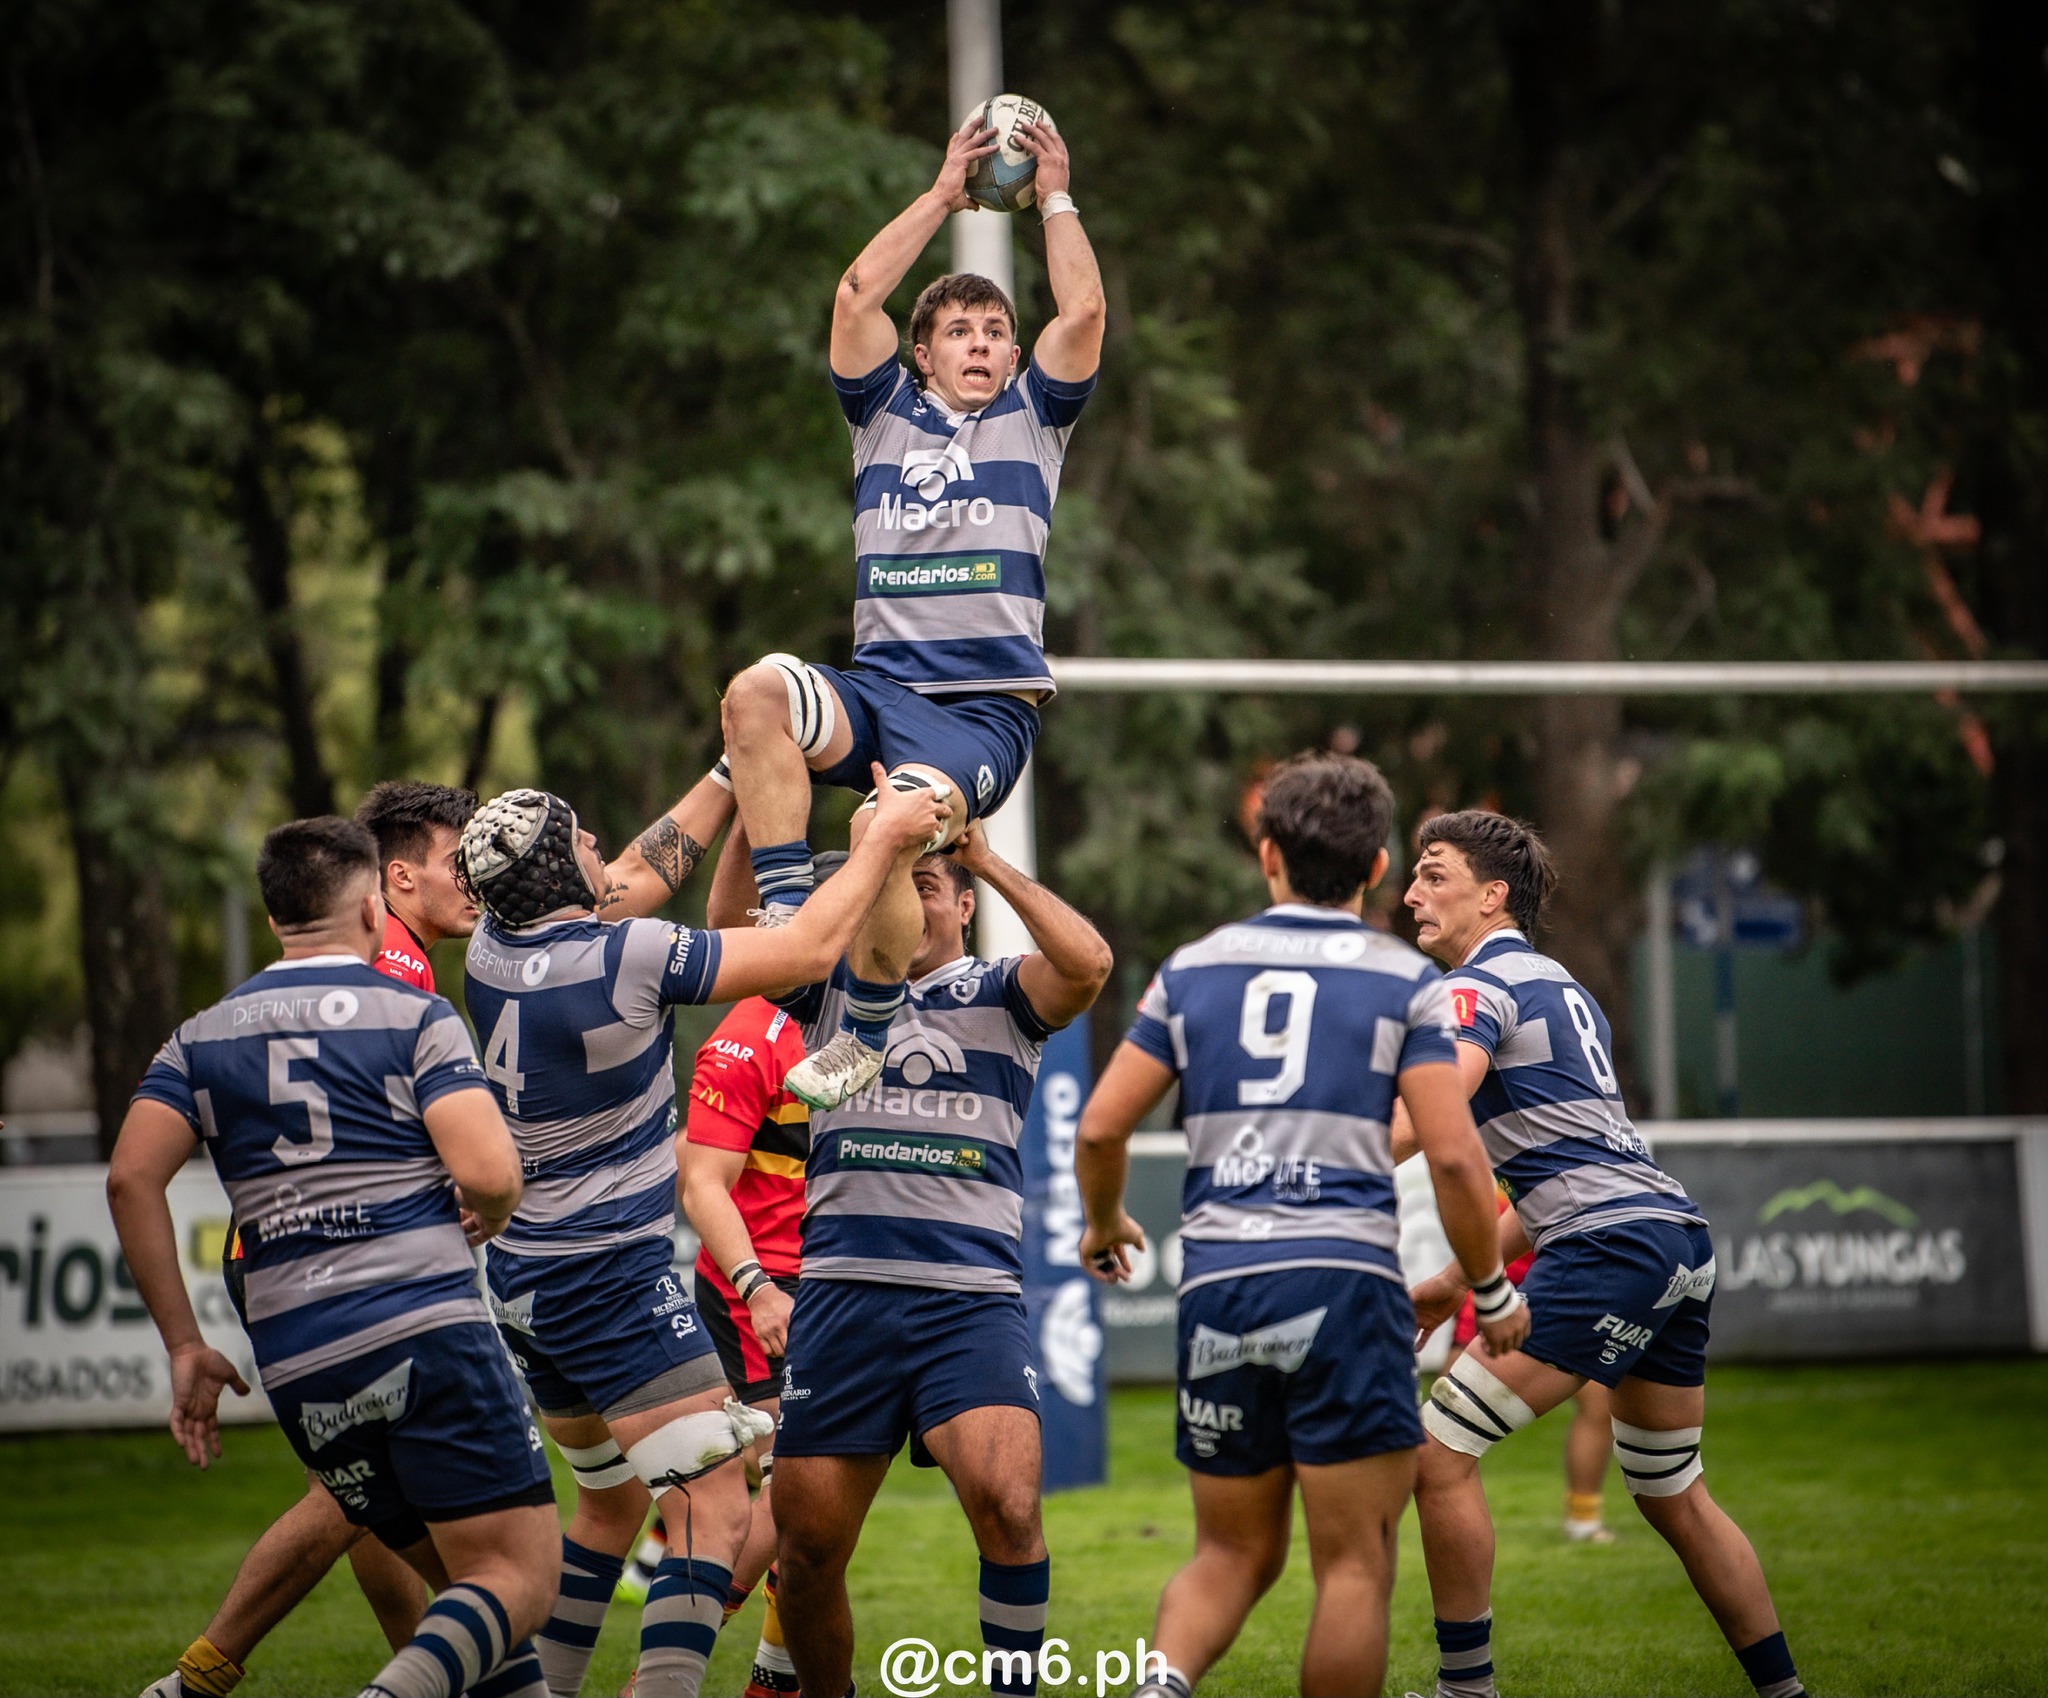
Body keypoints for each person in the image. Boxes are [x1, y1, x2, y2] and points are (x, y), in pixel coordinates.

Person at [456, 771, 947, 1698]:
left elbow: (640, 869)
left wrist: (734, 771)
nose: (600, 843)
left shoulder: (491, 946)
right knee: (713, 1510)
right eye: (581, 837)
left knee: (607, 1508)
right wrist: (886, 839)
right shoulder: (629, 956)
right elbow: (805, 949)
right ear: (562, 872)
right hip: (605, 1280)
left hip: (522, 1282)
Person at [1073, 753, 1527, 1698]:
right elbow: (1453, 1157)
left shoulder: (1193, 970)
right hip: (1345, 1287)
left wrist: (1103, 1222)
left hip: (1222, 1287)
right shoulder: (1406, 981)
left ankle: (1160, 1686)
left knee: (1228, 1554)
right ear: (1377, 866)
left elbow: (1102, 1128)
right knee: (1354, 1566)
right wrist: (1488, 1290)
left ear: (1267, 854)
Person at [108, 816, 559, 1698]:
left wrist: (185, 1345)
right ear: (371, 908)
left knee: (475, 1599)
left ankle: (196, 1683)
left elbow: (130, 1179)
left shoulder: (201, 1036)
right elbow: (490, 1173)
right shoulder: (415, 1015)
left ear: (275, 916)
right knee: (521, 1578)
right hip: (421, 1327)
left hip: (296, 1354)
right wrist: (492, 1211)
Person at [717, 104, 1105, 1111]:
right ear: (921, 355)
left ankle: (865, 1032)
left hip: (980, 715)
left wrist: (1054, 199)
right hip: (879, 688)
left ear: (1012, 358)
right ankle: (789, 921)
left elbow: (1082, 315)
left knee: (884, 826)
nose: (981, 344)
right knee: (755, 692)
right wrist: (942, 194)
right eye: (958, 331)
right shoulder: (881, 415)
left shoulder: (1033, 419)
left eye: (995, 333)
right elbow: (855, 296)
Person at [1396, 809, 1805, 1698]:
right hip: (1674, 1237)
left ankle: (1465, 1690)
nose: (1411, 893)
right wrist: (1450, 1282)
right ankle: (1786, 1692)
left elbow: (1432, 1116)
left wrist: (1319, 1154)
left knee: (1437, 1453)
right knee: (1671, 1492)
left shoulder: (1473, 989)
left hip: (1612, 1246)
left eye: (1433, 875)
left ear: (1492, 895)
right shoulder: (1560, 985)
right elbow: (1563, 1174)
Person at [767, 822, 1112, 1698]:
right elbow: (734, 920)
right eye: (888, 883)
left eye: (924, 884)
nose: (904, 898)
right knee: (805, 1552)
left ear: (964, 906)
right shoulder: (828, 991)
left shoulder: (1002, 993)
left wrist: (986, 860)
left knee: (1012, 1509)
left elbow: (1089, 965)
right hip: (842, 1301)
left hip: (968, 1302)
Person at [672, 848, 848, 1698]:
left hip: (843, 1285)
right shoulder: (752, 1032)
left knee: (818, 1511)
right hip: (769, 1292)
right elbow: (701, 1183)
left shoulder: (869, 1016)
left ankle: (772, 1681)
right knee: (794, 1504)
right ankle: (672, 1662)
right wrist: (758, 1289)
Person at [1443, 1191, 1615, 1543]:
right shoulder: (1495, 1166)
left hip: (1559, 1280)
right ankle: (1415, 1504)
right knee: (1444, 1413)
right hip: (1494, 1280)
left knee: (1599, 1405)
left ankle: (1583, 1519)